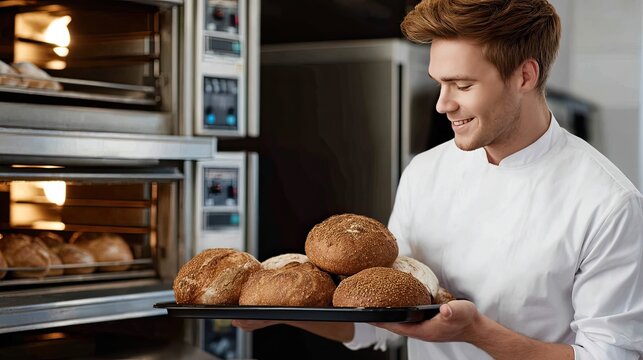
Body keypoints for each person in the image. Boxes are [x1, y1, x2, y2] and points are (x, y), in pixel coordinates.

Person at [234, 0, 643, 358]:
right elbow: (377, 324)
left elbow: (609, 356)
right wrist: (273, 311)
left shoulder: (608, 202)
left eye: (462, 85)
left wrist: (478, 333)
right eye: (439, 83)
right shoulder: (425, 172)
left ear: (525, 76)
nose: (443, 104)